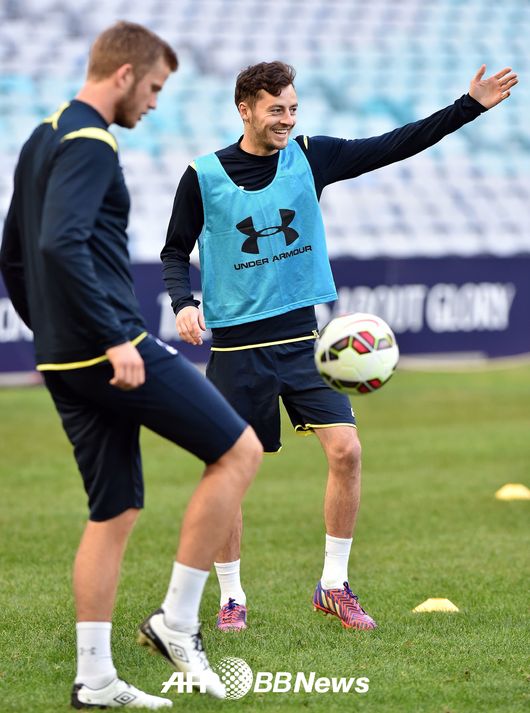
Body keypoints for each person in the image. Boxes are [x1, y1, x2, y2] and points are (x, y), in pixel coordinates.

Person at [160, 60, 517, 633]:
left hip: (304, 340)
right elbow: (175, 250)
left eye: (293, 109)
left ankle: (333, 585)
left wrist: (468, 106)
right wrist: (183, 302)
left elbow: (394, 144)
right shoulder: (202, 175)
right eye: (276, 110)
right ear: (245, 110)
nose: (287, 119)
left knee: (346, 451)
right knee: (228, 471)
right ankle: (231, 597)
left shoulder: (311, 156)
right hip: (236, 350)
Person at [0, 21, 262, 709]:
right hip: (109, 347)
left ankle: (95, 680)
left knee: (113, 509)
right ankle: (177, 620)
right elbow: (58, 245)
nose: (153, 102)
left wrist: (51, 333)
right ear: (124, 75)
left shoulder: (42, 135)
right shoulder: (92, 141)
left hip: (65, 355)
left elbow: (13, 256)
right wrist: (115, 336)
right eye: (153, 87)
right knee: (238, 451)